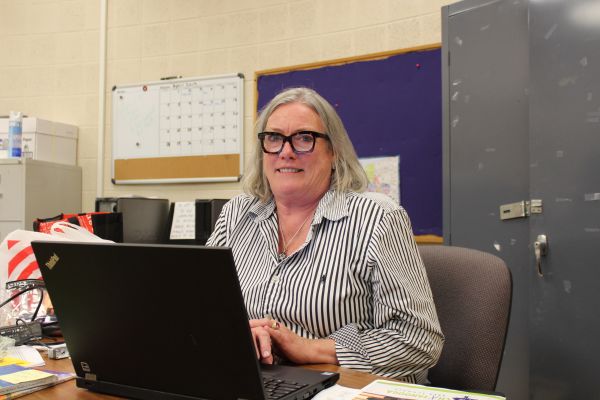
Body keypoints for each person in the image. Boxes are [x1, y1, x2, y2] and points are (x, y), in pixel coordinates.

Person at [206, 87, 443, 383]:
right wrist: (241, 337)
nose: (286, 151)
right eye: (274, 138)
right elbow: (201, 312)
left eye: (304, 138)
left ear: (334, 152)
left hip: (347, 387)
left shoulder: (377, 218)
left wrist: (312, 349)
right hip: (258, 382)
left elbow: (419, 341)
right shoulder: (236, 215)